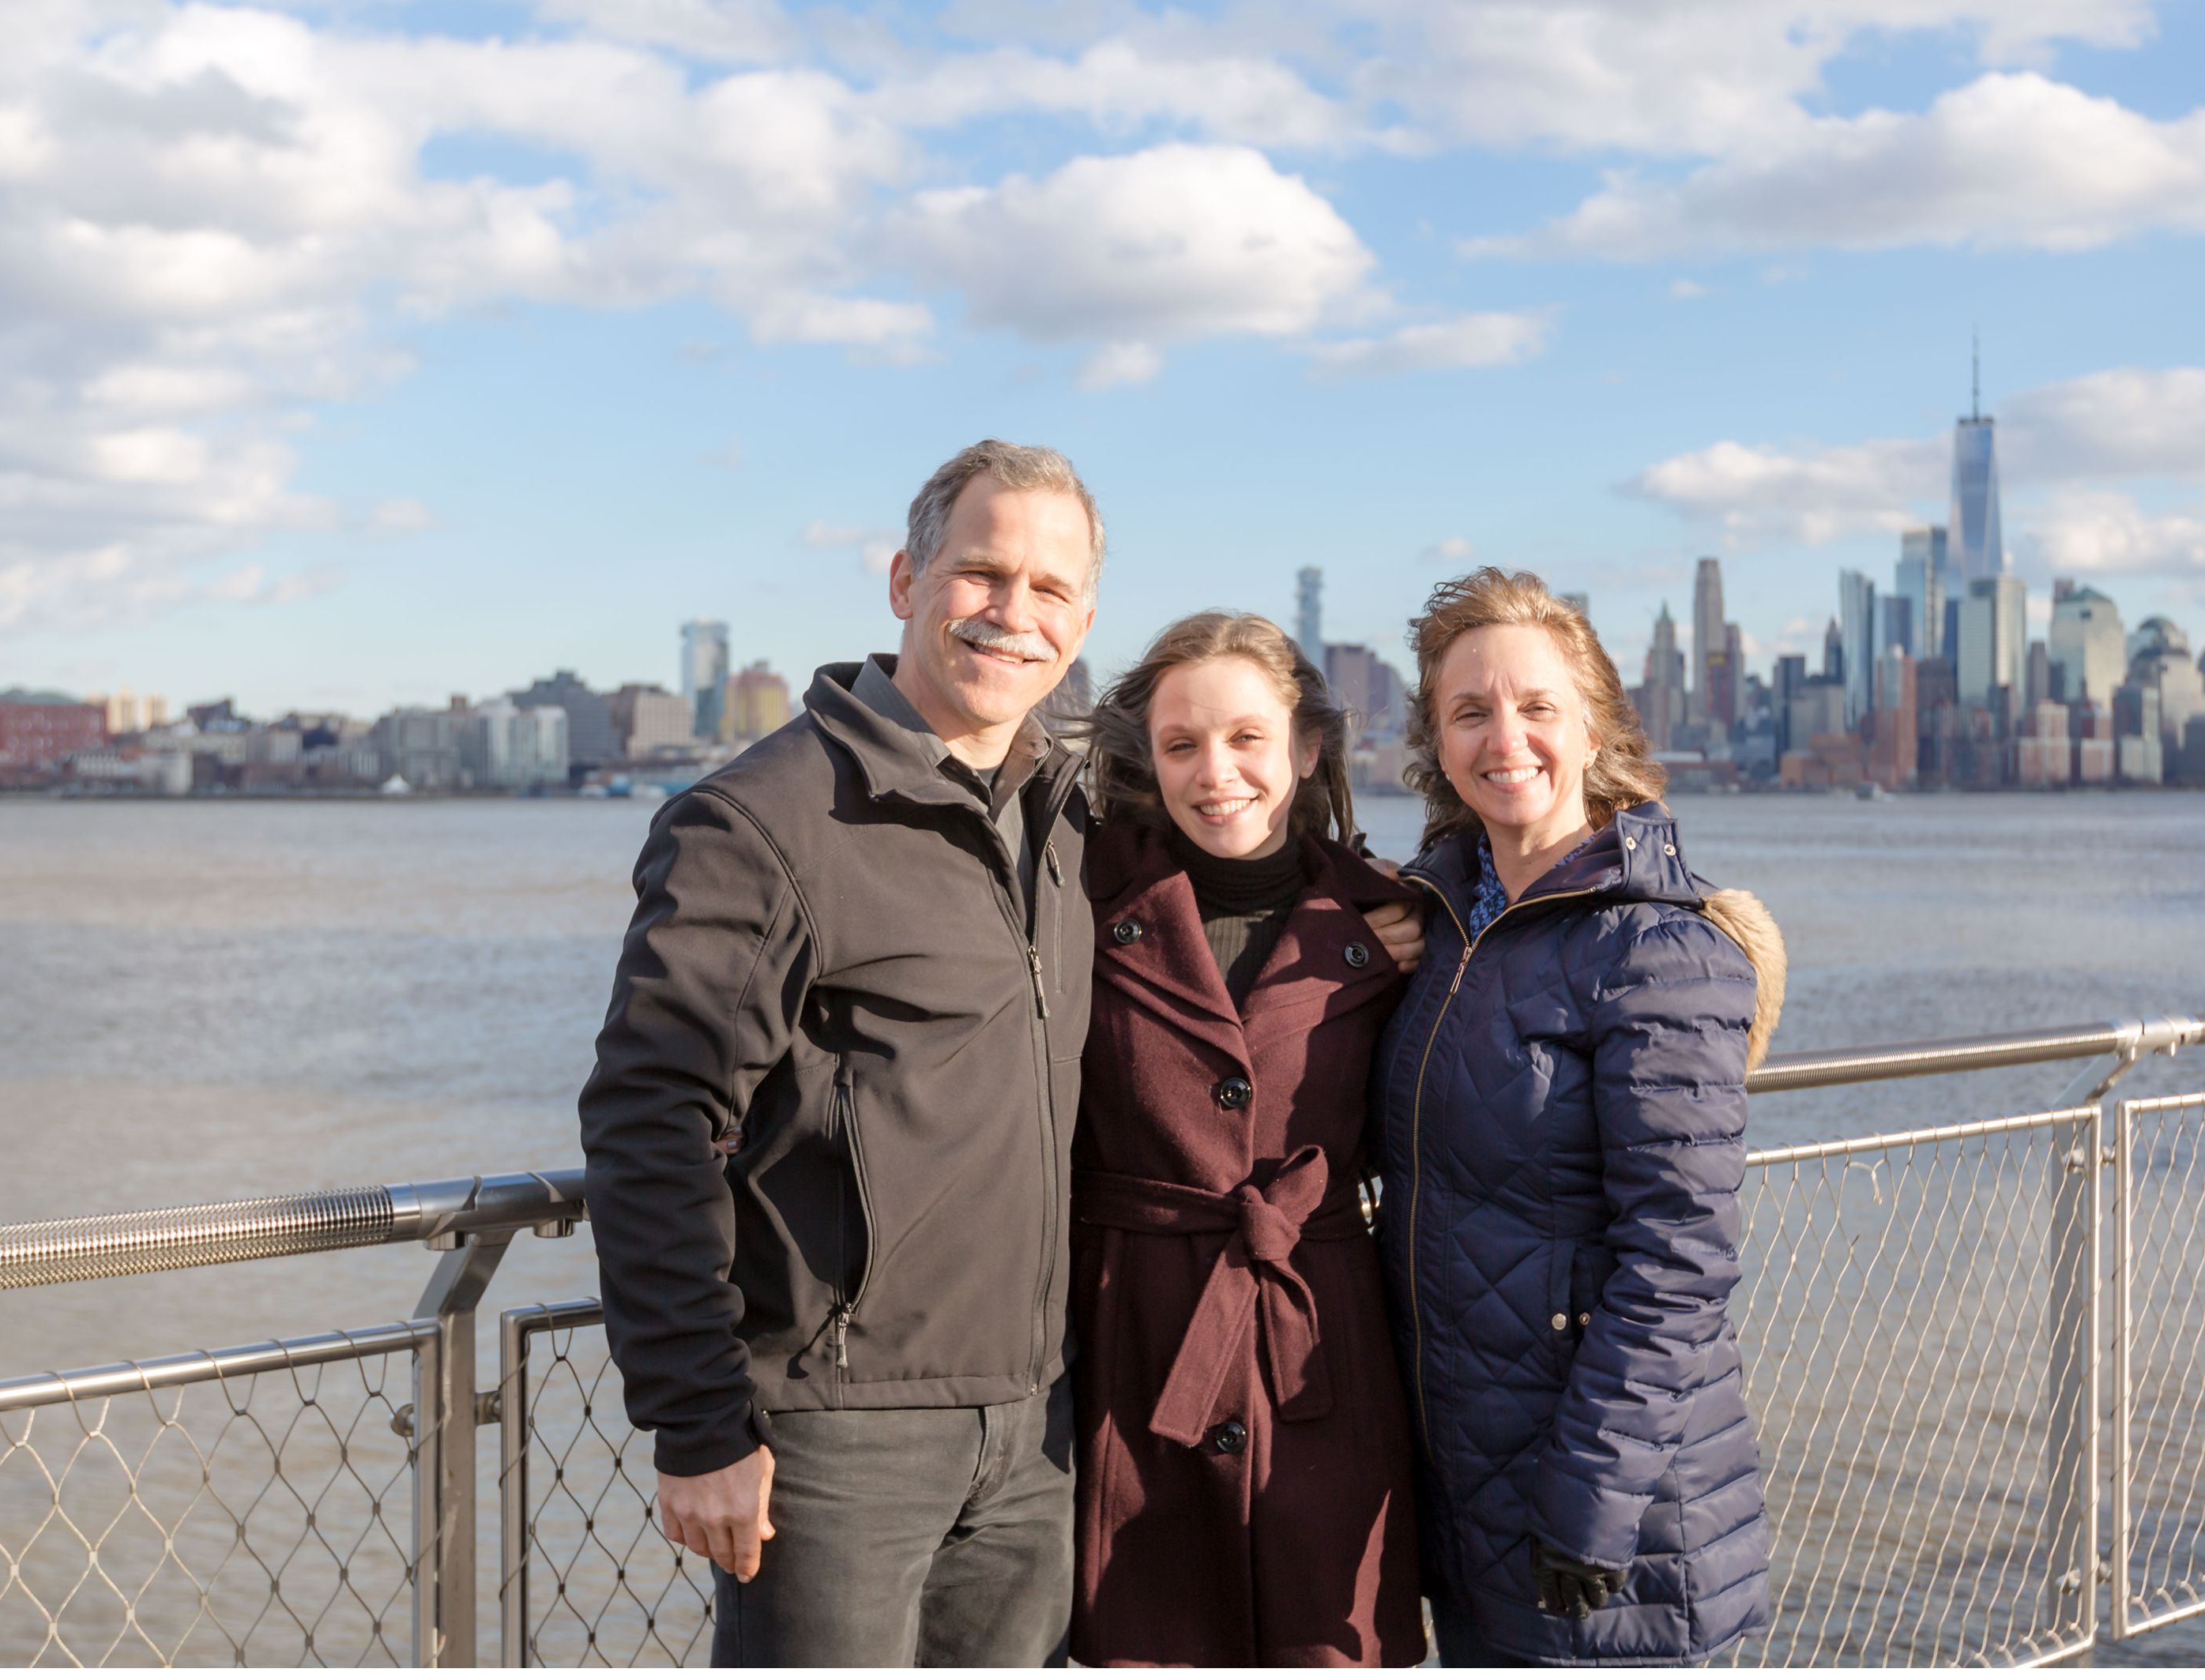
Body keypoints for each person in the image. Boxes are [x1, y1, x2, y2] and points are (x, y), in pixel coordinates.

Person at [578, 440, 1104, 1667]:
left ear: (1083, 620)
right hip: (840, 1440)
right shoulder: (762, 822)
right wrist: (697, 1424)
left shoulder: (1070, 813)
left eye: (1050, 591)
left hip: (1038, 1428)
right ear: (903, 580)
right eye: (980, 573)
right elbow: (651, 1120)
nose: (1012, 615)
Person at [1371, 567, 1784, 1667]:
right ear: (1438, 742)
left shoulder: (1657, 949)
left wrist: (1593, 1499)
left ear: (1592, 727)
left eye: (1537, 706)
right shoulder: (1445, 931)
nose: (1506, 737)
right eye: (1471, 711)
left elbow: (1680, 1260)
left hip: (1611, 1511)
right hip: (1471, 1492)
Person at [1067, 612, 1429, 1667]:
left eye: (1247, 739)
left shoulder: (1392, 920)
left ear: (1307, 750)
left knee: (1328, 1636)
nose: (1215, 772)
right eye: (1182, 745)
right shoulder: (1074, 903)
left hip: (1323, 1345)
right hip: (1132, 1344)